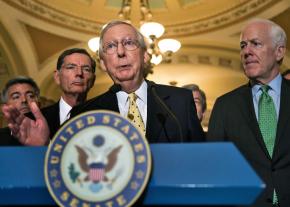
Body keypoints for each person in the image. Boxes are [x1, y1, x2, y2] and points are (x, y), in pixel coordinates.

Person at [2, 20, 204, 145]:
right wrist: (45, 146)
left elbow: (201, 160)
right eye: (110, 46)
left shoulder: (180, 101)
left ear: (145, 56)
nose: (120, 52)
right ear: (103, 64)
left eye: (129, 43)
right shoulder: (85, 113)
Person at [207, 19, 290, 207]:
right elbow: (215, 167)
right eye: (243, 46)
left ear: (279, 51)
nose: (246, 51)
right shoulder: (225, 105)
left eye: (256, 43)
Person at [40, 48, 96, 139]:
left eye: (86, 69)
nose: (79, 73)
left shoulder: (104, 118)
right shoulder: (38, 119)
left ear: (93, 80)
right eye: (71, 67)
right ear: (57, 77)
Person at [0, 76, 40, 146]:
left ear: (39, 104)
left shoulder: (55, 132)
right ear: (5, 107)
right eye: (16, 97)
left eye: (30, 96)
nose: (24, 100)